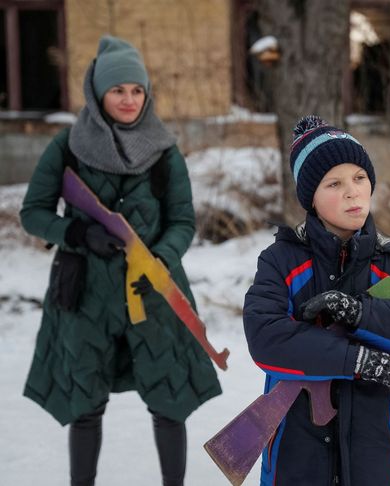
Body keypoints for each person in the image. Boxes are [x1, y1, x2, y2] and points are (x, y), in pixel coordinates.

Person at [20, 35, 222, 486]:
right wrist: (76, 232)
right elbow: (32, 214)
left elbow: (183, 222)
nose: (129, 100)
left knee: (169, 402)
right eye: (118, 91)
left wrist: (160, 260)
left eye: (137, 90)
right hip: (84, 296)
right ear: (98, 93)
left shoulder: (164, 151)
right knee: (85, 407)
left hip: (152, 292)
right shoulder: (67, 145)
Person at [243, 115, 390, 485]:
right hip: (297, 457)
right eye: (334, 183)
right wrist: (358, 359)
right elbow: (266, 339)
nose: (352, 191)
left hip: (379, 455)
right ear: (310, 196)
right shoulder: (282, 260)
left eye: (360, 178)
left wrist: (362, 313)